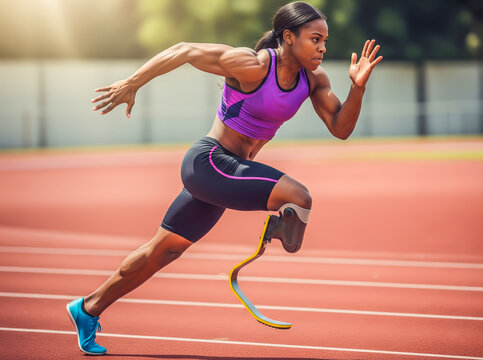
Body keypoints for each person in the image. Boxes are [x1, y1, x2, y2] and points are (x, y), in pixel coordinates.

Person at [66, 1, 382, 355]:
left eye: (325, 40)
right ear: (289, 37)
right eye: (315, 39)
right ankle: (277, 226)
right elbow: (184, 51)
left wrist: (358, 88)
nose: (323, 47)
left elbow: (341, 128)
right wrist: (133, 82)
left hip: (225, 176)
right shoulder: (253, 66)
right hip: (209, 162)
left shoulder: (313, 80)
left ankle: (88, 308)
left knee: (162, 251)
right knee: (298, 197)